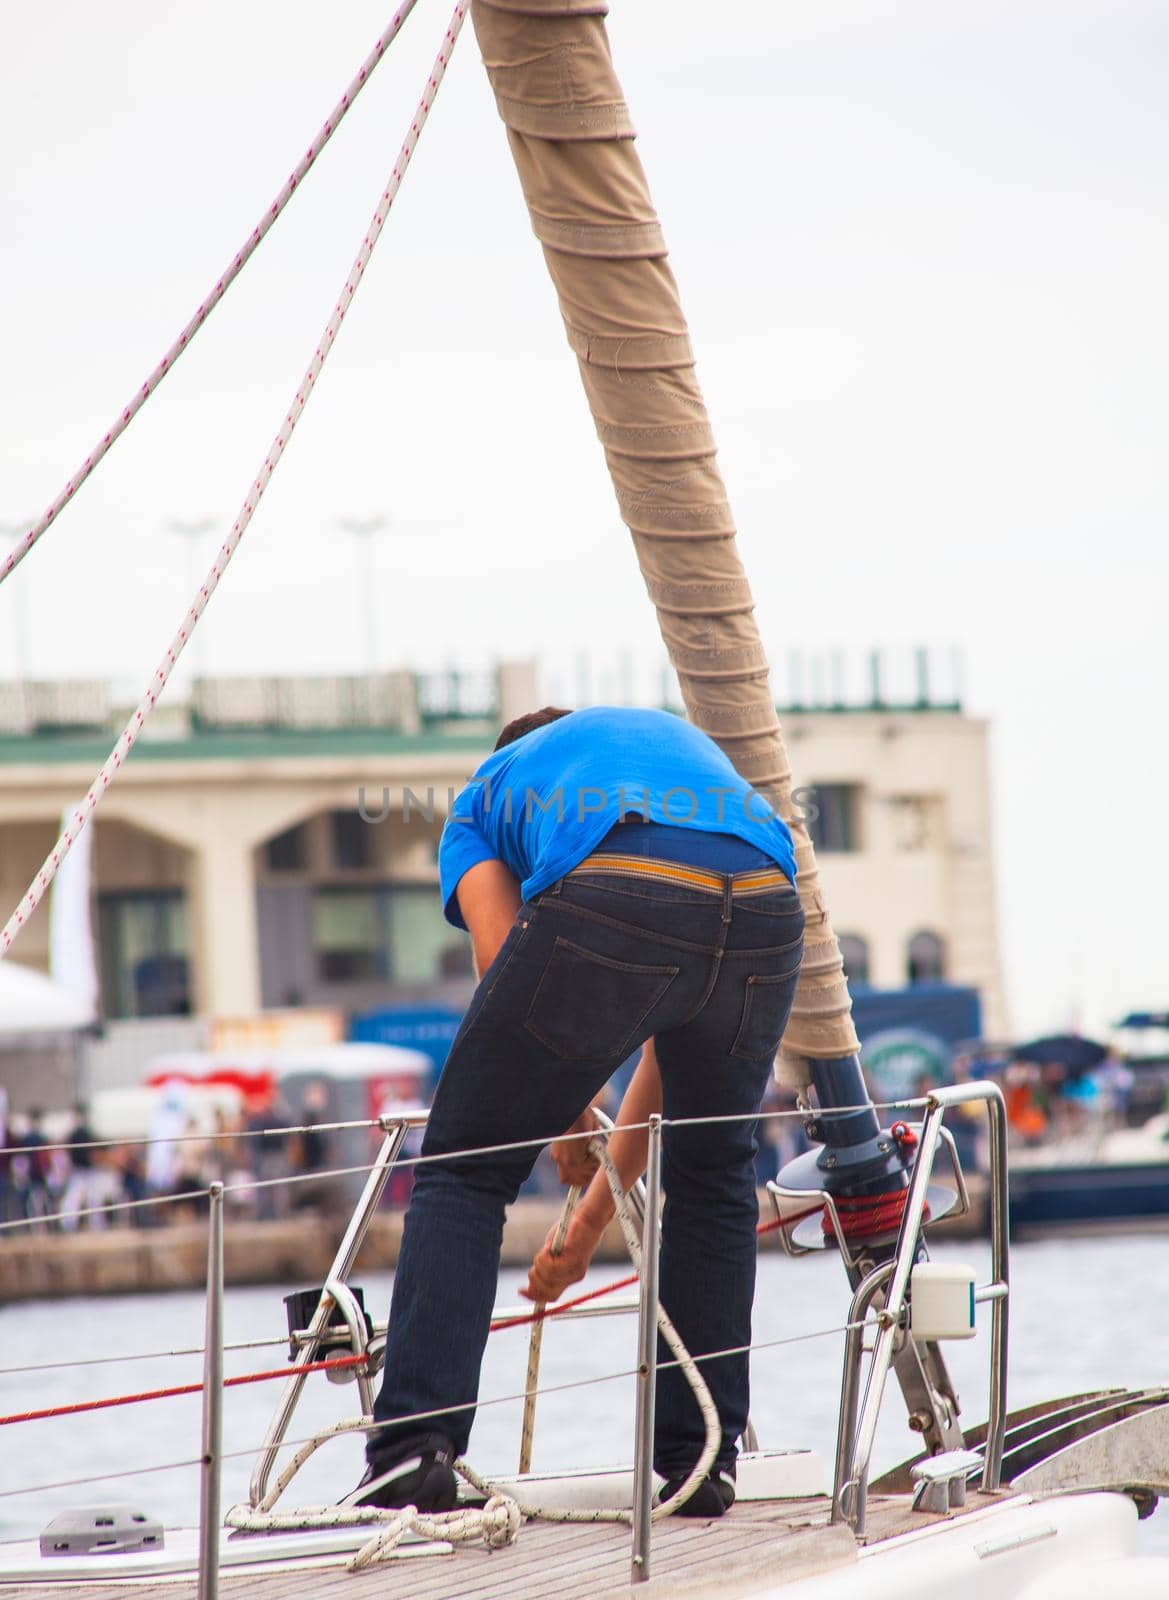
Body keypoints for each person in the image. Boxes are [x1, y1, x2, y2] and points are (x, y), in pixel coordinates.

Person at [347, 705, 803, 1518]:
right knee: (712, 1174)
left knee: (465, 1167)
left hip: (623, 874)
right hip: (768, 894)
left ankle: (411, 1453)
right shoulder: (649, 746)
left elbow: (502, 959)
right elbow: (672, 1048)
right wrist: (587, 1223)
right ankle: (701, 1463)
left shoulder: (484, 796)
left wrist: (561, 1117)